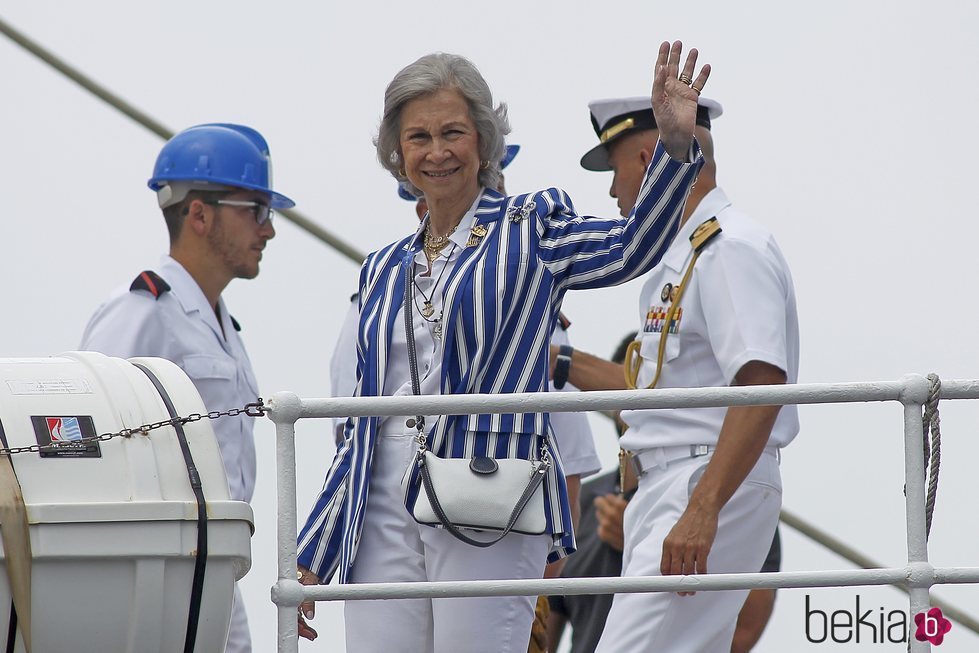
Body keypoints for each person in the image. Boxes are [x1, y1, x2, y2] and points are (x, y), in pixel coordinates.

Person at [296, 42, 710, 652]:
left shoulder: (529, 227)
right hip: (379, 504)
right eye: (418, 137)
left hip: (484, 492)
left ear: (484, 142)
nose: (436, 152)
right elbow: (358, 426)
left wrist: (675, 150)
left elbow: (630, 248)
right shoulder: (382, 268)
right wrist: (316, 549)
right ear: (397, 153)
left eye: (452, 132)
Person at [327, 145, 602, 653]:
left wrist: (543, 575)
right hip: (403, 508)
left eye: (492, 192)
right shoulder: (377, 294)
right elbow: (356, 441)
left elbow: (568, 462)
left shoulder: (528, 285)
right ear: (420, 203)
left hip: (489, 508)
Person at [553, 94, 799, 652]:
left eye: (614, 173)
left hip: (702, 481)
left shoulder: (730, 247)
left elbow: (762, 385)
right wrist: (553, 358)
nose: (614, 192)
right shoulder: (686, 255)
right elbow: (661, 391)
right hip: (672, 486)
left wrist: (704, 506)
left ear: (647, 162)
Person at [80, 123, 294, 653]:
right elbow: (88, 427)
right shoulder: (143, 308)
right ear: (199, 214)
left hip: (211, 562)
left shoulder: (217, 322)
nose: (268, 230)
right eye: (256, 210)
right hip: (159, 567)